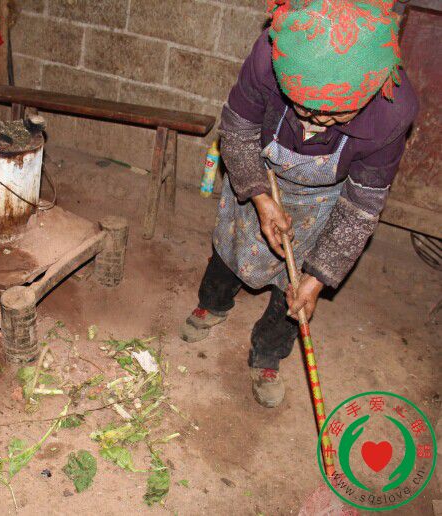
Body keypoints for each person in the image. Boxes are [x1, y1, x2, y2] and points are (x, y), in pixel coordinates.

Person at [180, 0, 418, 408]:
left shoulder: (392, 109)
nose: (315, 123)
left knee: (296, 284)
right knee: (233, 241)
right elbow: (237, 131)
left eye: (335, 115)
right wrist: (259, 196)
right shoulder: (271, 54)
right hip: (261, 172)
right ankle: (213, 303)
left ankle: (269, 351)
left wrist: (319, 278)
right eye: (304, 107)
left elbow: (362, 205)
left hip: (322, 197)